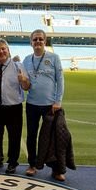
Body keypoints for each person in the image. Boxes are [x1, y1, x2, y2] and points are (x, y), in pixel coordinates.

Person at [23, 29, 66, 181]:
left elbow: (60, 80)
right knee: (31, 136)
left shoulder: (54, 58)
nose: (38, 42)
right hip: (32, 104)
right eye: (35, 39)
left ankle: (56, 169)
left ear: (45, 41)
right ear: (31, 42)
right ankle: (32, 165)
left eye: (40, 39)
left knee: (53, 138)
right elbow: (25, 84)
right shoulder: (27, 60)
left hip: (50, 105)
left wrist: (58, 101)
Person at [0, 39, 30, 174]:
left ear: (8, 50)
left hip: (13, 107)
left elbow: (26, 87)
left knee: (14, 136)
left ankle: (12, 162)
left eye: (3, 49)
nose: (1, 51)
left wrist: (23, 80)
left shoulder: (18, 66)